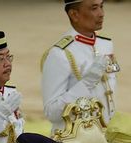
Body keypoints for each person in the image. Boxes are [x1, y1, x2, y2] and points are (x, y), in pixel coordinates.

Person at [41, 0, 118, 133]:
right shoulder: (60, 53)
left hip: (107, 134)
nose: (101, 14)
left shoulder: (105, 44)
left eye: (101, 6)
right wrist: (87, 83)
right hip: (75, 139)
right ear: (74, 15)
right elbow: (51, 112)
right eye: (94, 8)